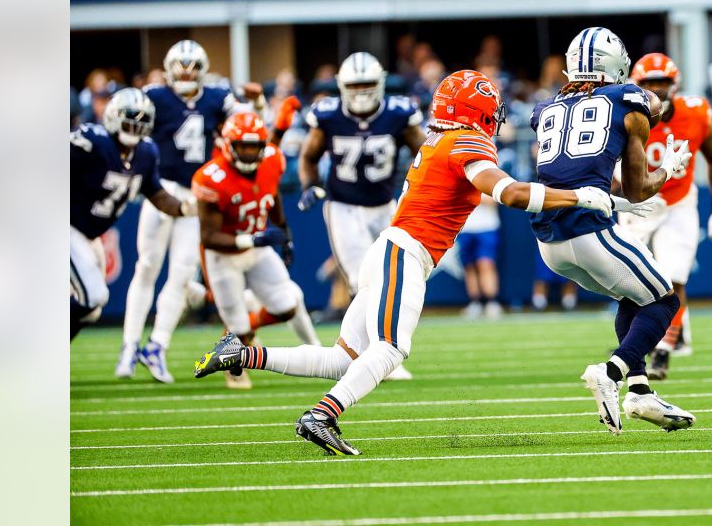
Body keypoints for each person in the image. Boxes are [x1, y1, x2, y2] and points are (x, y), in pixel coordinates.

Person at [194, 71, 616, 455]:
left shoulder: (438, 138)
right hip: (405, 251)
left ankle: (242, 354)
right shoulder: (465, 141)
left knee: (346, 360)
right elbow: (510, 194)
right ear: (478, 110)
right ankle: (322, 416)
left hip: (393, 249)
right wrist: (581, 196)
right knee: (392, 348)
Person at [529, 27, 697, 434]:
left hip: (549, 239)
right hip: (590, 229)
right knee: (663, 300)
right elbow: (639, 188)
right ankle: (612, 371)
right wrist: (667, 170)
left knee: (631, 295)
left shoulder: (546, 108)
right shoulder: (629, 98)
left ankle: (641, 393)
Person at [118, 40, 243, 383]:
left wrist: (256, 104)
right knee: (146, 266)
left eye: (192, 66)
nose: (186, 73)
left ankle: (156, 346)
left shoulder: (218, 97)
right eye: (181, 66)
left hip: (197, 194)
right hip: (161, 190)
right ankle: (130, 344)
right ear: (169, 67)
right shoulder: (156, 97)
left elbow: (245, 120)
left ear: (202, 70)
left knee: (182, 271)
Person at [296, 52, 425, 379]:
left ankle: (381, 351)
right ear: (342, 86)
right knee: (360, 281)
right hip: (343, 206)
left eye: (368, 83)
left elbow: (424, 154)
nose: (362, 91)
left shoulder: (398, 113)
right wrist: (310, 185)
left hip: (384, 205)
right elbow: (308, 156)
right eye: (355, 85)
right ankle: (373, 355)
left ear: (380, 83)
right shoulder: (328, 115)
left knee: (397, 276)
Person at [617, 54, 712, 381]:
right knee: (628, 280)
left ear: (674, 84)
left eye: (661, 82)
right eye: (648, 83)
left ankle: (663, 352)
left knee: (674, 278)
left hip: (679, 200)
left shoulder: (696, 112)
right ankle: (633, 346)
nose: (655, 88)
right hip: (637, 201)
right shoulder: (626, 113)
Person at [192, 112, 321, 389]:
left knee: (288, 304)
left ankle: (237, 332)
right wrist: (253, 240)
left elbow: (272, 194)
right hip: (223, 256)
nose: (250, 154)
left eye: (255, 147)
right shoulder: (210, 178)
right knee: (238, 328)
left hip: (257, 248)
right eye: (243, 147)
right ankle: (233, 351)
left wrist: (284, 233)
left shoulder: (272, 159)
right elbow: (209, 236)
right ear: (228, 145)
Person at [72, 89, 193, 340]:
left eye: (141, 119)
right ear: (113, 116)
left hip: (89, 235)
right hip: (67, 226)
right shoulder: (94, 141)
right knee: (93, 295)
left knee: (91, 310)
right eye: (130, 117)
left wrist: (183, 208)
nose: (135, 124)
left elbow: (157, 193)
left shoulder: (146, 153)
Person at [458, 197, 503, 318]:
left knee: (486, 264)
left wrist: (469, 197)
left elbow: (494, 200)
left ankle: (491, 302)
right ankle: (475, 303)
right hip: (464, 228)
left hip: (487, 227)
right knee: (469, 267)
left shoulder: (490, 177)